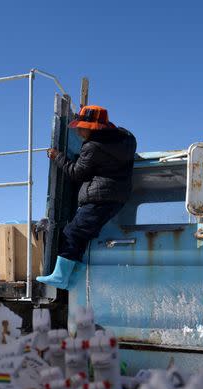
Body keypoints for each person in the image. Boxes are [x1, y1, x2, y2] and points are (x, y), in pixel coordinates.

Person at [37, 105, 137, 289]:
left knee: (71, 232)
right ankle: (74, 275)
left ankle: (60, 277)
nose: (79, 131)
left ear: (93, 128)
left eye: (82, 127)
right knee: (82, 235)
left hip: (99, 197)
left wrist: (57, 156)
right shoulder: (127, 139)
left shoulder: (92, 147)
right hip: (117, 198)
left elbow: (77, 173)